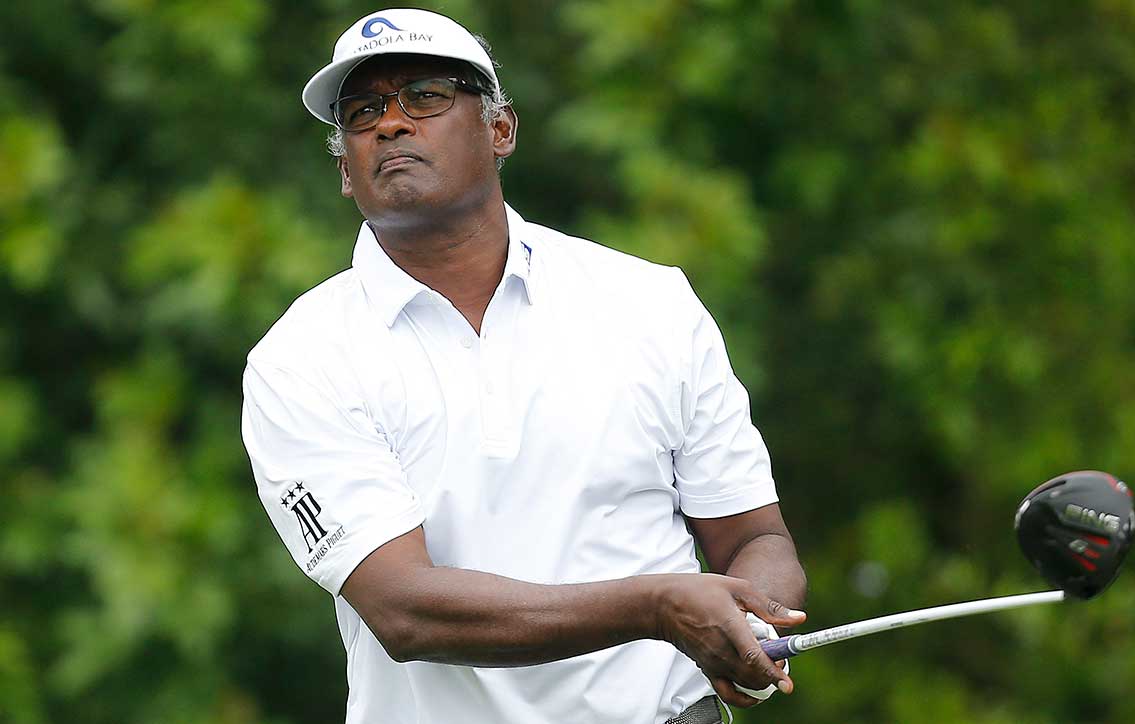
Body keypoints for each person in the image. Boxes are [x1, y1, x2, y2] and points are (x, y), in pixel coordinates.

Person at [240, 8, 806, 724]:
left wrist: (753, 630)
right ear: (347, 173)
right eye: (363, 112)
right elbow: (404, 610)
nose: (390, 124)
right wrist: (659, 607)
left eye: (425, 95)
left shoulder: (648, 301)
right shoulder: (300, 358)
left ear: (500, 129)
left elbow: (754, 537)